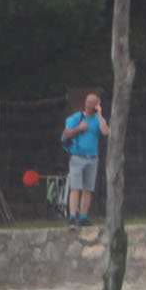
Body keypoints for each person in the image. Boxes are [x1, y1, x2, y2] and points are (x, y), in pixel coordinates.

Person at [60, 93, 108, 227]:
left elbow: (105, 131)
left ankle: (83, 217)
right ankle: (72, 216)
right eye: (87, 102)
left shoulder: (99, 119)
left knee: (88, 189)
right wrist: (79, 128)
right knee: (75, 187)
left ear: (97, 105)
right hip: (77, 157)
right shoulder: (76, 118)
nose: (89, 105)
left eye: (92, 103)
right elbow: (66, 133)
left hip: (92, 158)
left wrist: (99, 114)